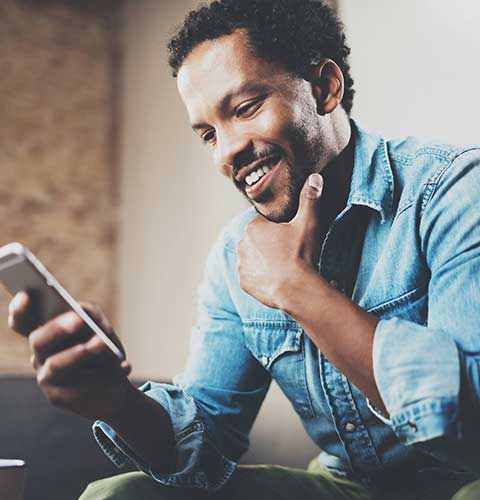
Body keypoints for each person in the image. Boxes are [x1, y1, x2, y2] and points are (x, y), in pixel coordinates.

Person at [8, 1, 480, 499]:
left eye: (245, 108)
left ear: (324, 88)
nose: (226, 152)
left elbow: (467, 421)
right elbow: (206, 444)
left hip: (466, 477)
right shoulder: (238, 253)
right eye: (209, 133)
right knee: (119, 494)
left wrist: (297, 287)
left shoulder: (449, 190)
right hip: (350, 487)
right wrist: (115, 401)